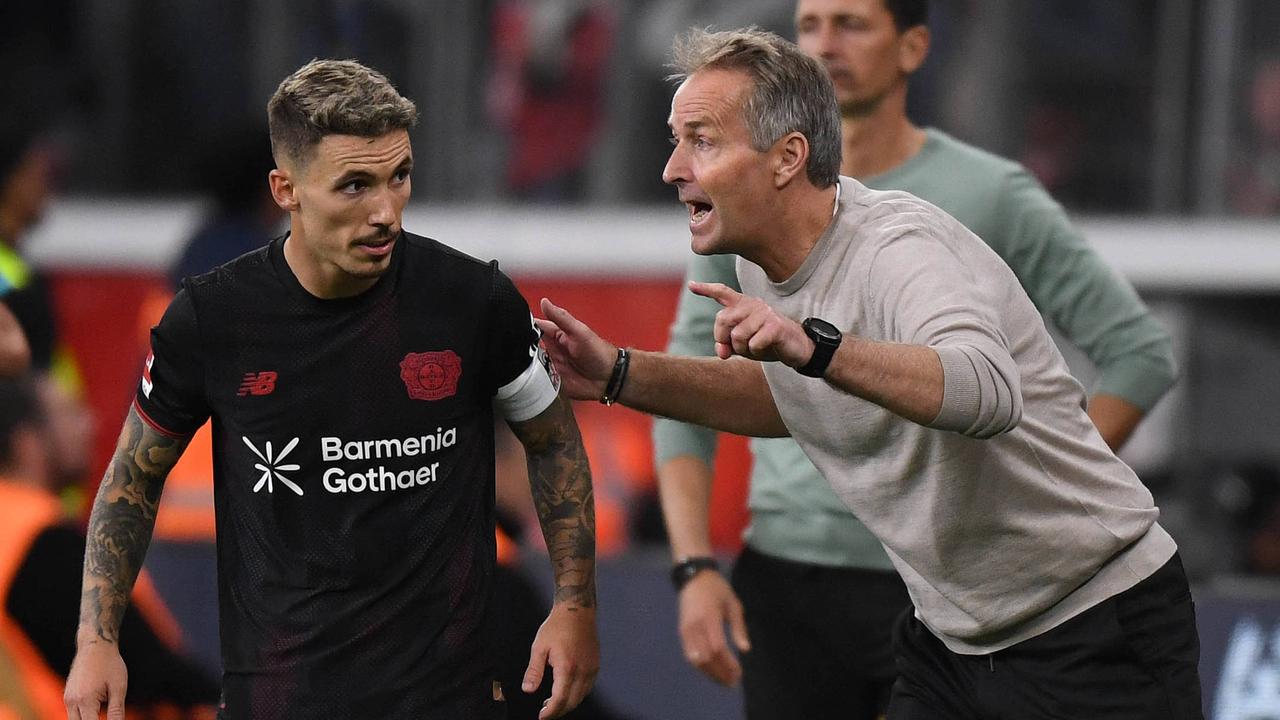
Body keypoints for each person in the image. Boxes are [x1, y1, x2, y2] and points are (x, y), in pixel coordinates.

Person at [539, 27, 1202, 719]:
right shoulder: (757, 261)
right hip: (951, 641)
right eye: (677, 140)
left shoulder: (897, 246)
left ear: (787, 158)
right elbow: (787, 396)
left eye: (702, 141)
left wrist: (816, 347)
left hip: (1094, 622)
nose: (673, 169)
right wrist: (618, 373)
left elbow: (988, 390)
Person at [64, 59, 600, 720]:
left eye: (399, 176)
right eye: (354, 186)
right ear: (284, 190)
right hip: (280, 701)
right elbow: (132, 478)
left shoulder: (473, 302)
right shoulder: (213, 318)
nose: (385, 212)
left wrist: (575, 606)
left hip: (447, 699)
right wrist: (97, 641)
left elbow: (553, 441)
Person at [0, 375, 218, 720]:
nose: (90, 424)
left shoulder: (15, 529)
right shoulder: (40, 539)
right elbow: (143, 668)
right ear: (27, 442)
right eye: (70, 413)